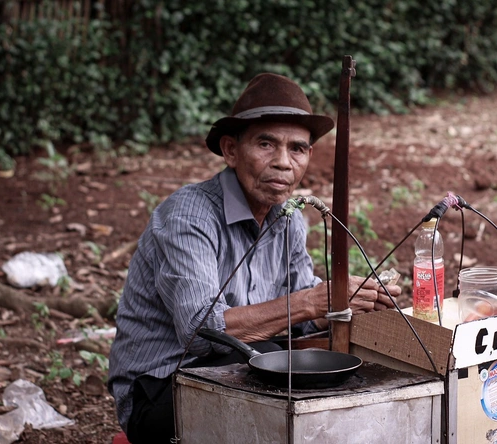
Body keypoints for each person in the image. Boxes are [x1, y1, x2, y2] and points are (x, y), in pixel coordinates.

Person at [107, 73, 400, 443]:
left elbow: (300, 313)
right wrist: (311, 302)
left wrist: (348, 301)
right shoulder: (188, 215)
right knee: (269, 360)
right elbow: (202, 332)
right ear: (231, 150)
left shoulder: (289, 219)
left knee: (320, 372)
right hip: (161, 389)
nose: (282, 163)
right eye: (266, 144)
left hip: (242, 367)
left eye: (297, 149)